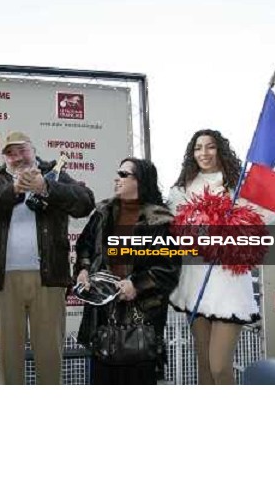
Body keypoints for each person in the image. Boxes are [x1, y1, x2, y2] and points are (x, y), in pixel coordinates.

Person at [0, 131, 95, 384]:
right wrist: (13, 189)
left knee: (49, 355)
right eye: (10, 153)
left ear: (33, 151)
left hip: (48, 279)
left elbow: (85, 202)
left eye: (22, 150)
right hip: (4, 279)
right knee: (7, 356)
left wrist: (46, 187)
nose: (17, 157)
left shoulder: (54, 173)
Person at [74, 158, 181, 385]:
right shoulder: (102, 212)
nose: (117, 178)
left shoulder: (159, 220)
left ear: (140, 180)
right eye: (118, 173)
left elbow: (168, 267)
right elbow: (84, 245)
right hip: (103, 314)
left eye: (124, 174)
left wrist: (137, 284)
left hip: (143, 316)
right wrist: (83, 270)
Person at [168, 129, 261, 385]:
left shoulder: (239, 184)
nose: (204, 153)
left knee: (220, 367)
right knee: (205, 366)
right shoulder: (181, 189)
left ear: (220, 150)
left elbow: (258, 224)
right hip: (195, 283)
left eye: (210, 147)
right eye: (198, 148)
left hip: (228, 285)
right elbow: (175, 231)